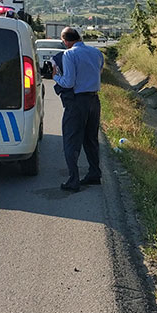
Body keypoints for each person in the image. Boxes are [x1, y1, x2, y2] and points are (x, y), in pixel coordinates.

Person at [53, 27, 104, 192]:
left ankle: (73, 180)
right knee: (91, 139)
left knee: (71, 140)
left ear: (65, 41)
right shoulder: (97, 53)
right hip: (94, 100)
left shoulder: (69, 54)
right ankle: (94, 174)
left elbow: (68, 82)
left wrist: (55, 75)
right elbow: (99, 71)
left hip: (77, 102)